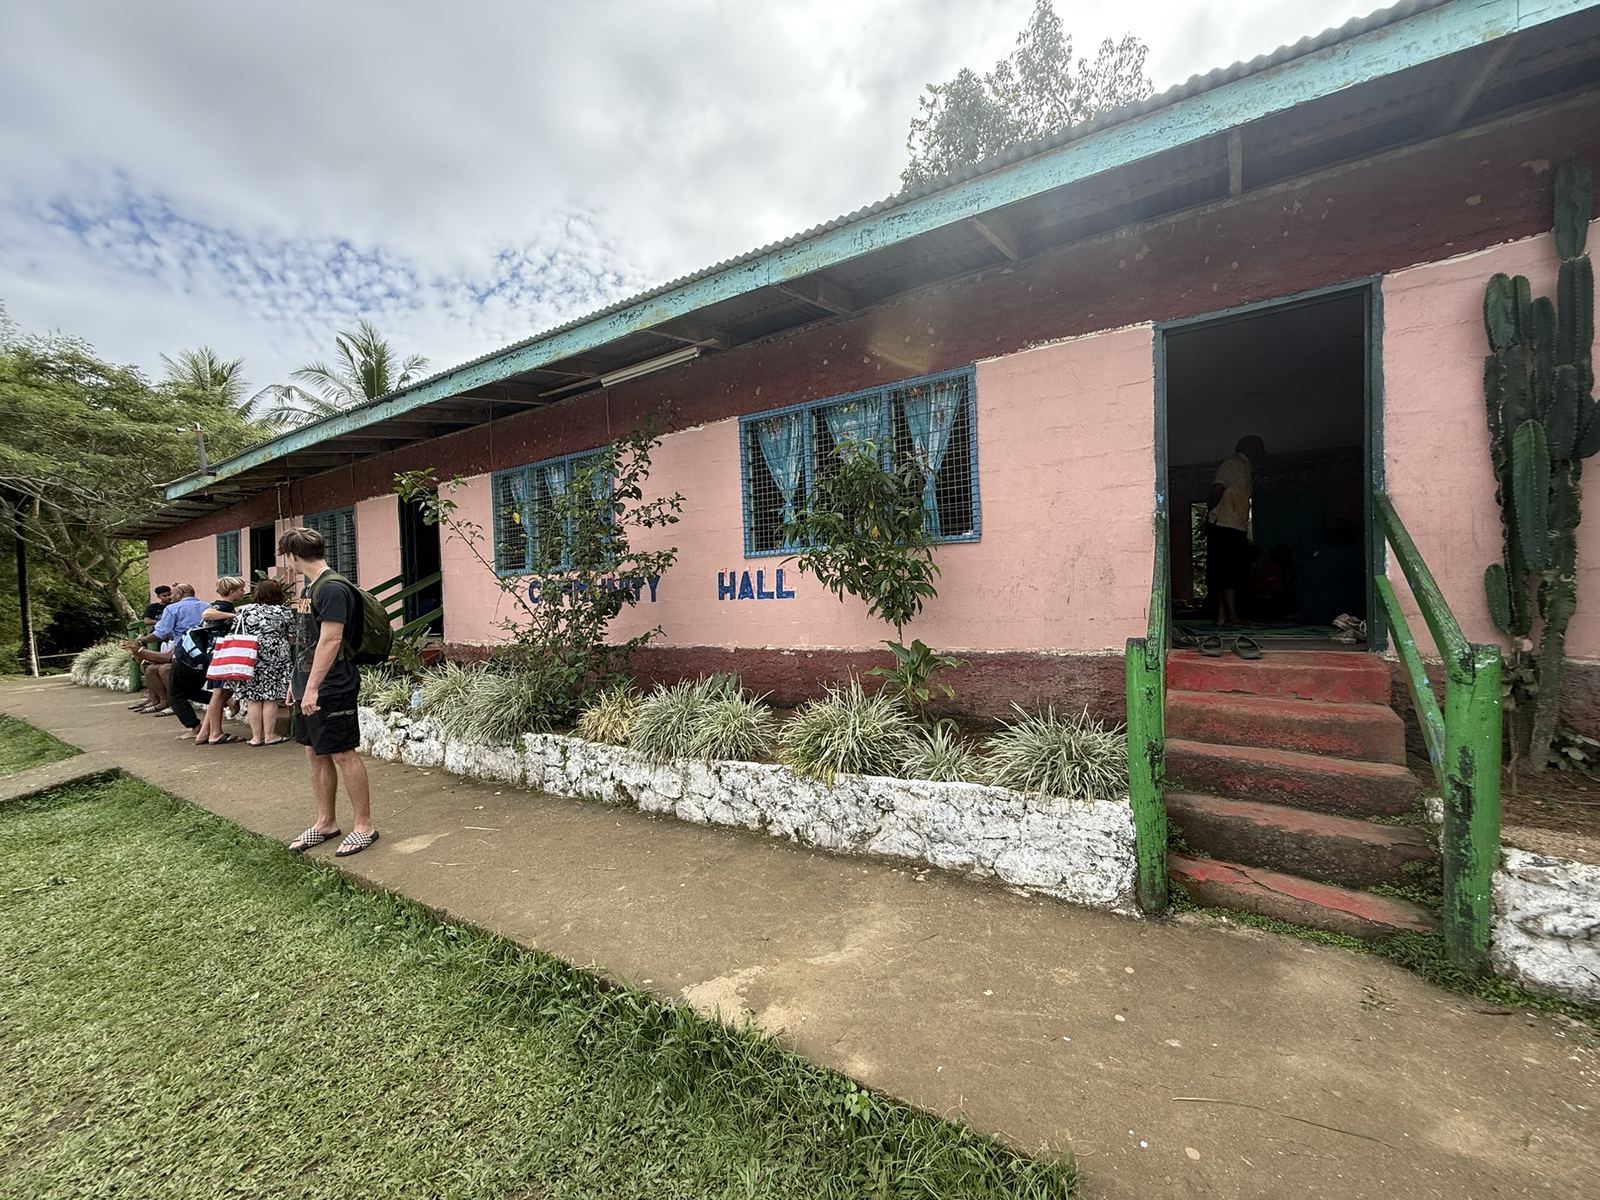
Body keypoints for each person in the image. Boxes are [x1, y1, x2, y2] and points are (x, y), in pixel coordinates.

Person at [279, 527, 376, 857]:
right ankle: (325, 822)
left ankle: (364, 826)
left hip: (333, 685)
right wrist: (297, 683)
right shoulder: (310, 588)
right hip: (309, 684)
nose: (286, 563)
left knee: (342, 752)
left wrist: (314, 687)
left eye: (286, 557)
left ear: (292, 555)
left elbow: (331, 640)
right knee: (315, 752)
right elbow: (306, 639)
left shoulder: (332, 588)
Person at [1205, 434, 1266, 627]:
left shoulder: (1246, 467)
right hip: (1225, 524)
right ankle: (1231, 616)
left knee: (1230, 571)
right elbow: (1217, 490)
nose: (1263, 451)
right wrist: (1211, 515)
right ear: (1249, 447)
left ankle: (1224, 617)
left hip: (1234, 525)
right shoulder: (1232, 464)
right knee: (1229, 571)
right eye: (1260, 447)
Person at [230, 576, 295, 746]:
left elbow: (234, 632)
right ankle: (270, 735)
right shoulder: (284, 612)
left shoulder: (245, 611)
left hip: (250, 656)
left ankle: (256, 737)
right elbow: (293, 637)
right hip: (276, 657)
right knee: (270, 697)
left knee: (253, 698)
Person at [132, 584, 207, 715]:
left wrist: (141, 642)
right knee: (151, 669)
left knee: (165, 669)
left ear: (179, 593)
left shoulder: (173, 608)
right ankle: (161, 701)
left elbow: (160, 633)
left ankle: (176, 704)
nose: (171, 597)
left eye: (172, 594)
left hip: (185, 652)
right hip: (204, 650)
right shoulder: (207, 606)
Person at [190, 576, 248, 745]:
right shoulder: (222, 607)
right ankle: (215, 732)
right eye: (240, 590)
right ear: (231, 592)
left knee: (221, 692)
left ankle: (205, 732)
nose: (243, 592)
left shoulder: (223, 606)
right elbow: (207, 614)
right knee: (219, 692)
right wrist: (231, 615)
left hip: (215, 652)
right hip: (220, 652)